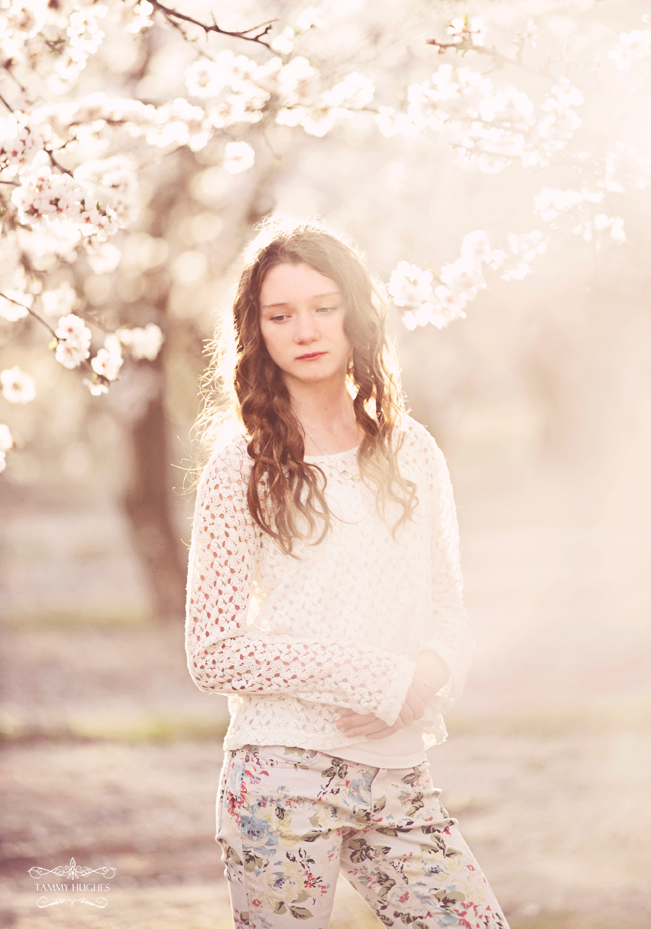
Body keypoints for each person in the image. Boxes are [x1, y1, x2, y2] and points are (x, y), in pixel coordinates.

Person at [185, 216, 510, 929]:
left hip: (399, 772)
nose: (305, 329)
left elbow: (448, 606)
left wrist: (421, 680)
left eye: (323, 307)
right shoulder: (238, 466)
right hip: (279, 774)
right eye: (281, 314)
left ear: (355, 314)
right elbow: (212, 650)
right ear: (258, 331)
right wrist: (376, 677)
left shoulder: (412, 450)